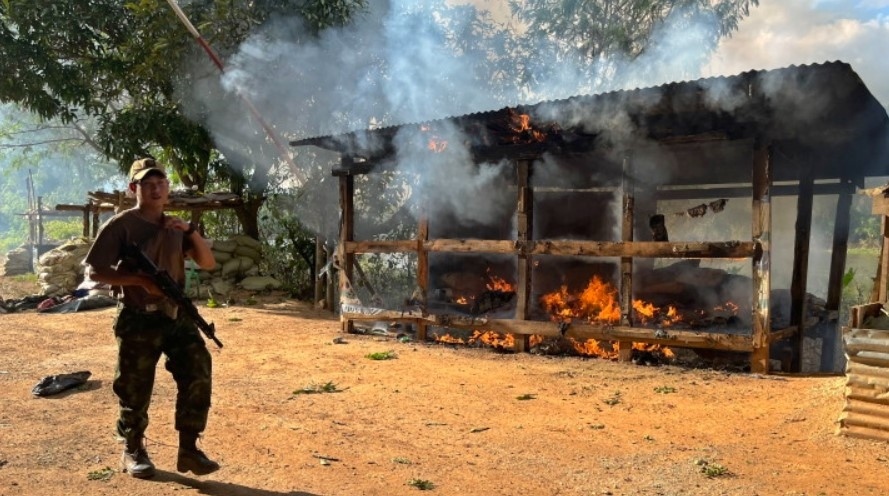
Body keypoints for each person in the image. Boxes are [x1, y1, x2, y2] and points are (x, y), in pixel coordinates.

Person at [84, 158, 219, 479]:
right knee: (134, 387)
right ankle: (133, 448)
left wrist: (191, 231)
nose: (157, 189)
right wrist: (140, 282)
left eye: (162, 183)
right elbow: (95, 271)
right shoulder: (121, 225)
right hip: (138, 318)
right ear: (135, 189)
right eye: (148, 184)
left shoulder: (175, 226)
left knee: (197, 371)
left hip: (176, 315)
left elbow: (208, 263)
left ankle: (189, 449)